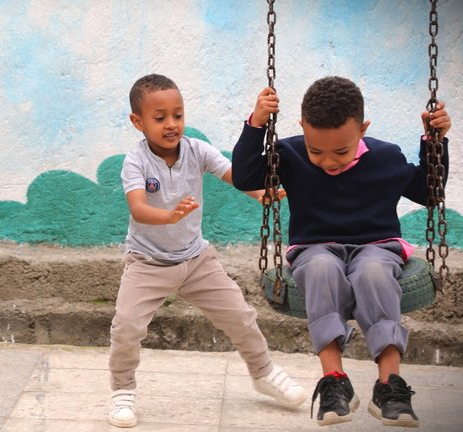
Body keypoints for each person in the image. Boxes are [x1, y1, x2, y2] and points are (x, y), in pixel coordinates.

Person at [231, 76, 451, 427]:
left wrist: (434, 142)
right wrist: (256, 125)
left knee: (373, 273)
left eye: (341, 151)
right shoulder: (288, 154)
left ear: (362, 130)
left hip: (376, 247)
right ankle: (335, 382)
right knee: (320, 269)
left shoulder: (386, 156)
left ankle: (389, 385)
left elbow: (430, 192)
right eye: (316, 151)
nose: (328, 162)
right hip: (315, 248)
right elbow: (245, 177)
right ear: (302, 127)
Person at [107, 73, 306, 428]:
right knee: (126, 327)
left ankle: (263, 372)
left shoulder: (197, 150)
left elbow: (234, 174)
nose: (171, 124)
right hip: (147, 263)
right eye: (160, 117)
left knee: (241, 316)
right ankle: (122, 391)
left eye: (178, 115)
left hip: (196, 259)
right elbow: (138, 208)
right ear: (138, 122)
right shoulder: (135, 162)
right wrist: (167, 216)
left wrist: (262, 194)